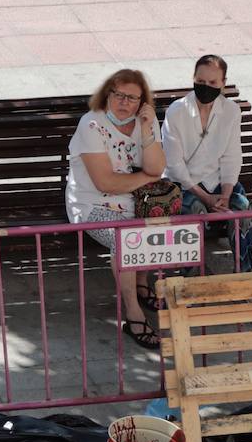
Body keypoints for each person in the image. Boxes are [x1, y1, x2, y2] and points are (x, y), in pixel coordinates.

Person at [65, 68, 179, 349]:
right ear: (108, 94)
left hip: (136, 201)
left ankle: (142, 283)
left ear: (142, 102)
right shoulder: (91, 125)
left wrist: (149, 130)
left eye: (132, 98)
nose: (124, 102)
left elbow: (156, 166)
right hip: (92, 205)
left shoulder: (144, 122)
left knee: (156, 221)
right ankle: (134, 313)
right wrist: (148, 178)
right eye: (119, 95)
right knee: (125, 240)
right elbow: (106, 182)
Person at [161, 54, 252, 273]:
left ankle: (244, 272)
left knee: (243, 209)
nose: (206, 87)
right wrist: (205, 197)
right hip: (184, 184)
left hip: (217, 183)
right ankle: (193, 276)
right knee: (195, 211)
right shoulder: (177, 111)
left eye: (213, 83)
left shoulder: (230, 111)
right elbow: (174, 164)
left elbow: (232, 156)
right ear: (193, 79)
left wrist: (226, 194)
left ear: (223, 83)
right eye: (201, 82)